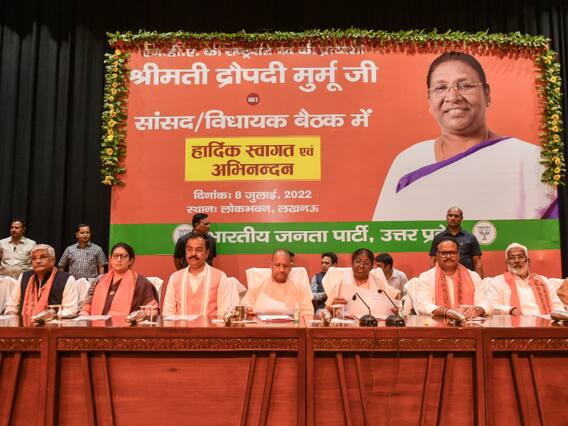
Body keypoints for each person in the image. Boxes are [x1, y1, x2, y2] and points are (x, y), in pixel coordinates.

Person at [373, 51, 557, 221]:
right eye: (441, 88)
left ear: (487, 94)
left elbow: (549, 237)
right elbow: (382, 236)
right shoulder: (408, 161)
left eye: (465, 86)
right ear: (429, 100)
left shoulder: (529, 159)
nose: (453, 97)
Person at [163, 232, 238, 316]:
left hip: (210, 324)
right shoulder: (175, 277)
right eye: (189, 249)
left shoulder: (220, 277)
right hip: (180, 324)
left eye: (198, 250)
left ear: (207, 253)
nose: (193, 254)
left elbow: (223, 312)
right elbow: (168, 312)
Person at [482, 243, 564, 316]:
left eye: (520, 257)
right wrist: (511, 310)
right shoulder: (497, 282)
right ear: (506, 263)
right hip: (514, 325)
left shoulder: (544, 281)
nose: (516, 261)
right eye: (512, 258)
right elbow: (491, 305)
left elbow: (557, 305)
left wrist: (560, 315)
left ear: (528, 261)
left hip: (545, 323)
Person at [79, 243, 158, 316]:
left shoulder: (141, 283)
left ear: (131, 261)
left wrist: (137, 317)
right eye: (115, 256)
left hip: (127, 325)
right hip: (96, 324)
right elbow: (88, 303)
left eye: (123, 256)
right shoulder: (99, 280)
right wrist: (84, 312)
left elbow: (153, 310)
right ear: (111, 259)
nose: (119, 259)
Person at [416, 238, 489, 318]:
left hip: (469, 322)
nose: (448, 256)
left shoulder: (473, 276)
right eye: (444, 253)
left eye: (452, 253)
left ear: (458, 254)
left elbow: (485, 302)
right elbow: (423, 304)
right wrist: (445, 312)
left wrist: (477, 310)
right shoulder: (426, 277)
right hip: (438, 323)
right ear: (437, 255)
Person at [5, 244, 79, 317]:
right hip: (24, 323)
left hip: (53, 323)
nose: (38, 261)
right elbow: (11, 306)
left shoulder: (66, 279)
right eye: (34, 258)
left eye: (43, 257)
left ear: (52, 260)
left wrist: (48, 316)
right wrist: (12, 318)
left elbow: (70, 310)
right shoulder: (24, 277)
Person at [323, 248, 400, 318]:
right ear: (352, 264)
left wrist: (396, 310)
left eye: (366, 263)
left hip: (371, 323)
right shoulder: (341, 282)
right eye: (358, 261)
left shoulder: (378, 282)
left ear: (371, 266)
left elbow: (393, 302)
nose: (361, 266)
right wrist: (331, 307)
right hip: (346, 323)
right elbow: (326, 311)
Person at [242, 249, 314, 319]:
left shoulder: (300, 289)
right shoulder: (257, 287)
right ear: (271, 266)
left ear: (290, 268)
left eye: (285, 266)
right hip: (262, 326)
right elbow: (245, 307)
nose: (281, 270)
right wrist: (248, 310)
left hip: (292, 326)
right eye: (277, 265)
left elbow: (308, 312)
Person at [429, 207, 483, 277]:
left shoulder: (470, 237)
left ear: (461, 218)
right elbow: (433, 261)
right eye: (450, 215)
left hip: (466, 277)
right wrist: (433, 279)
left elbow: (477, 262)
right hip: (444, 277)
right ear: (446, 217)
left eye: (456, 216)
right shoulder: (438, 238)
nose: (453, 218)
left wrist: (480, 280)